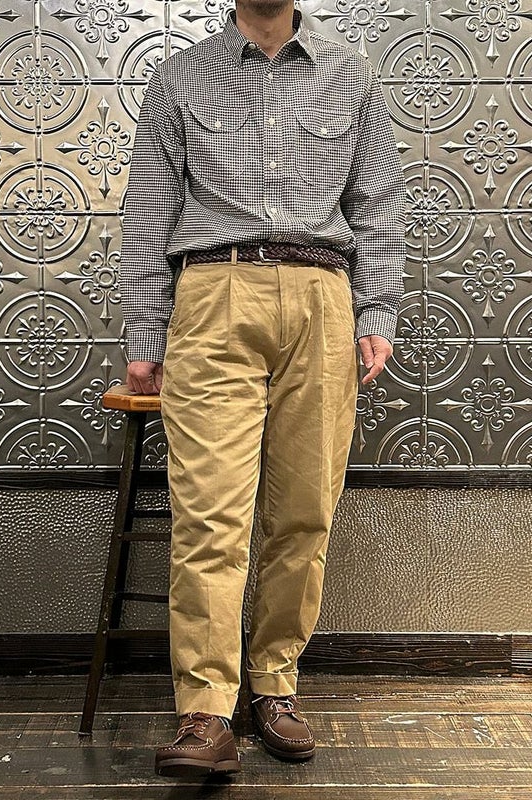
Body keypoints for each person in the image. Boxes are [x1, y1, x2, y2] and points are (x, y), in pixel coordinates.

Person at [119, 0, 407, 777]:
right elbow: (148, 213)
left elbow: (378, 203)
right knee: (209, 512)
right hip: (213, 291)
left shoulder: (351, 75)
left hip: (323, 296)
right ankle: (205, 712)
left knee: (305, 510)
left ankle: (274, 686)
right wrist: (146, 334)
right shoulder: (178, 77)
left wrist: (375, 310)